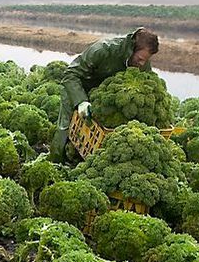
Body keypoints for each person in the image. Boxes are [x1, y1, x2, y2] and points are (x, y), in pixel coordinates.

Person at [50, 27, 159, 162]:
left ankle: (81, 162)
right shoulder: (102, 50)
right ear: (132, 50)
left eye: (145, 60)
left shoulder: (142, 63)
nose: (142, 63)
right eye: (140, 58)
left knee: (96, 135)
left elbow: (149, 82)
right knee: (66, 128)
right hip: (78, 88)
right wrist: (81, 101)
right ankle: (55, 162)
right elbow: (70, 75)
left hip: (103, 96)